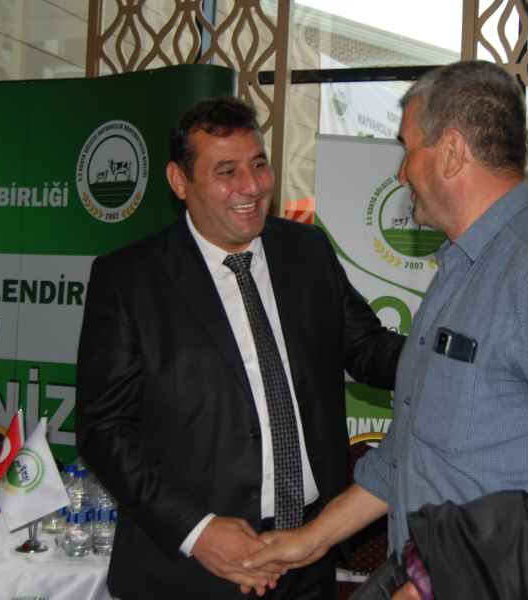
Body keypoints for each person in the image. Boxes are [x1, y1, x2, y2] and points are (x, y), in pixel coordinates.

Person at [245, 60, 528, 596]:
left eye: (407, 149)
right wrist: (309, 541)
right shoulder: (462, 271)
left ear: (450, 152)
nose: (401, 173)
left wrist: (452, 581)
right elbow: (408, 456)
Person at [75, 96, 404, 599]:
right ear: (179, 181)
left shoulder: (306, 251)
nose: (251, 186)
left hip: (307, 556)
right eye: (226, 172)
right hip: (191, 570)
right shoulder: (129, 280)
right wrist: (197, 531)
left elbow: (367, 348)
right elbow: (103, 429)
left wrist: (453, 357)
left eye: (258, 165)